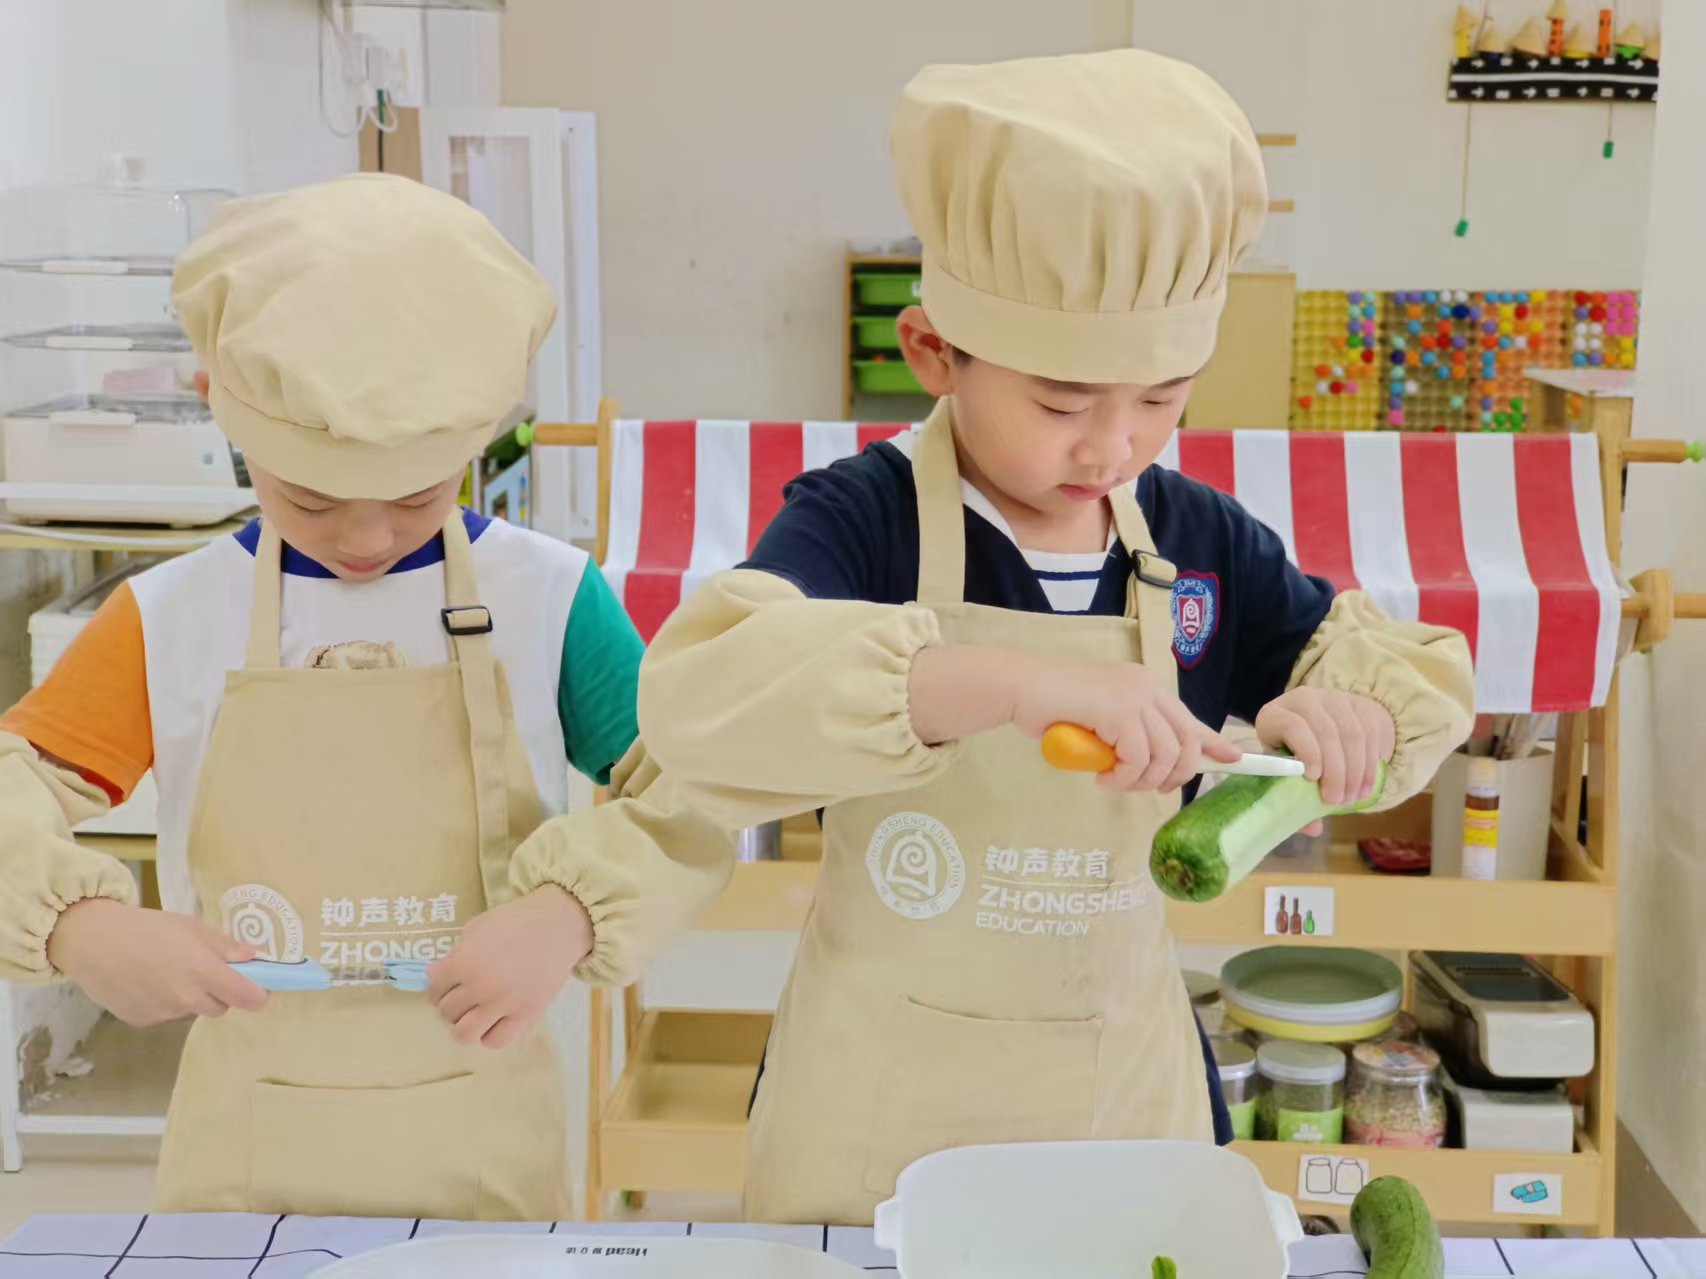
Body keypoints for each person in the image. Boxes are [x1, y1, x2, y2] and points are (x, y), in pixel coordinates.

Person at [636, 50, 1475, 1225]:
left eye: (1161, 397)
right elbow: (704, 695)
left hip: (1117, 1092)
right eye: (1061, 403)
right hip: (874, 1104)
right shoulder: (862, 521)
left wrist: (1341, 714)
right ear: (934, 352)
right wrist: (996, 682)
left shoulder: (1196, 542)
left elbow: (1390, 676)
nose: (1110, 446)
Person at [0, 174, 730, 1219]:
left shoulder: (550, 597)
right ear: (219, 402)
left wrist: (572, 911)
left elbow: (691, 788)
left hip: (484, 1141)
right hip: (247, 1155)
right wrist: (78, 927)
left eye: (419, 494)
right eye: (310, 495)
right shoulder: (171, 615)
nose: (365, 537)